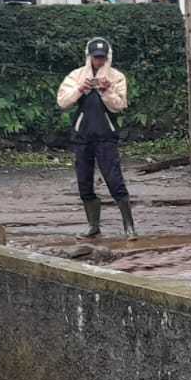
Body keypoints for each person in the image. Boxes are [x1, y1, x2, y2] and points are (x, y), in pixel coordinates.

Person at [56, 37, 136, 239]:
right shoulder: (76, 76)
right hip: (82, 135)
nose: (99, 61)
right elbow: (62, 102)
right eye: (96, 57)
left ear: (108, 57)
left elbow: (120, 106)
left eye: (102, 58)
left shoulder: (116, 77)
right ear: (89, 56)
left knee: (114, 179)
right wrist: (80, 89)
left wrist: (106, 90)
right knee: (84, 181)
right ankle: (93, 226)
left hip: (106, 135)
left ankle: (129, 226)